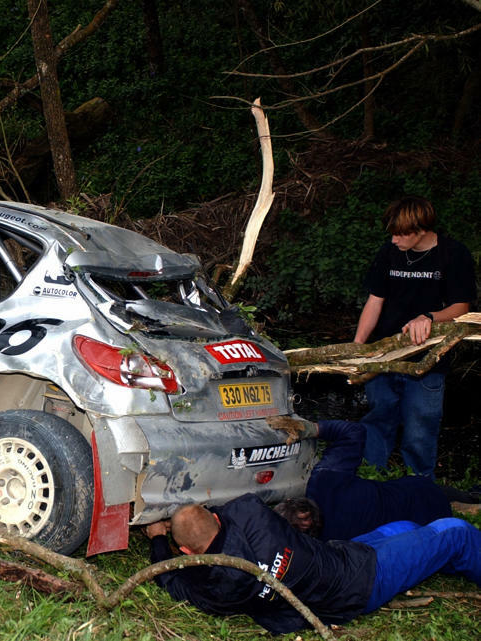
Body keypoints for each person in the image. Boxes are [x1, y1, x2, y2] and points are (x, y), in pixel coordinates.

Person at [145, 494, 481, 635]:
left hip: (349, 555)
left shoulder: (218, 589)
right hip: (364, 580)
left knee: (408, 529)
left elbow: (172, 582)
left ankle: (447, 562)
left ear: (188, 552)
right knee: (455, 532)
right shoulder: (249, 512)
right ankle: (456, 555)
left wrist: (158, 539)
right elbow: (225, 510)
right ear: (216, 517)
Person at [353, 196, 476, 479]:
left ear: (420, 229)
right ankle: (372, 483)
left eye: (400, 233)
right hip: (382, 355)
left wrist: (429, 317)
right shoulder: (389, 253)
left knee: (420, 428)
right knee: (377, 419)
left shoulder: (453, 254)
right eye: (392, 233)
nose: (394, 239)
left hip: (428, 360)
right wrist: (358, 349)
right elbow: (375, 301)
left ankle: (419, 487)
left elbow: (462, 307)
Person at [274, 420, 465, 541]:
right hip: (420, 490)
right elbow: (353, 431)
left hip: (434, 520)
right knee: (440, 493)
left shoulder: (335, 545)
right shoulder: (324, 480)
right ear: (291, 500)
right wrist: (311, 428)